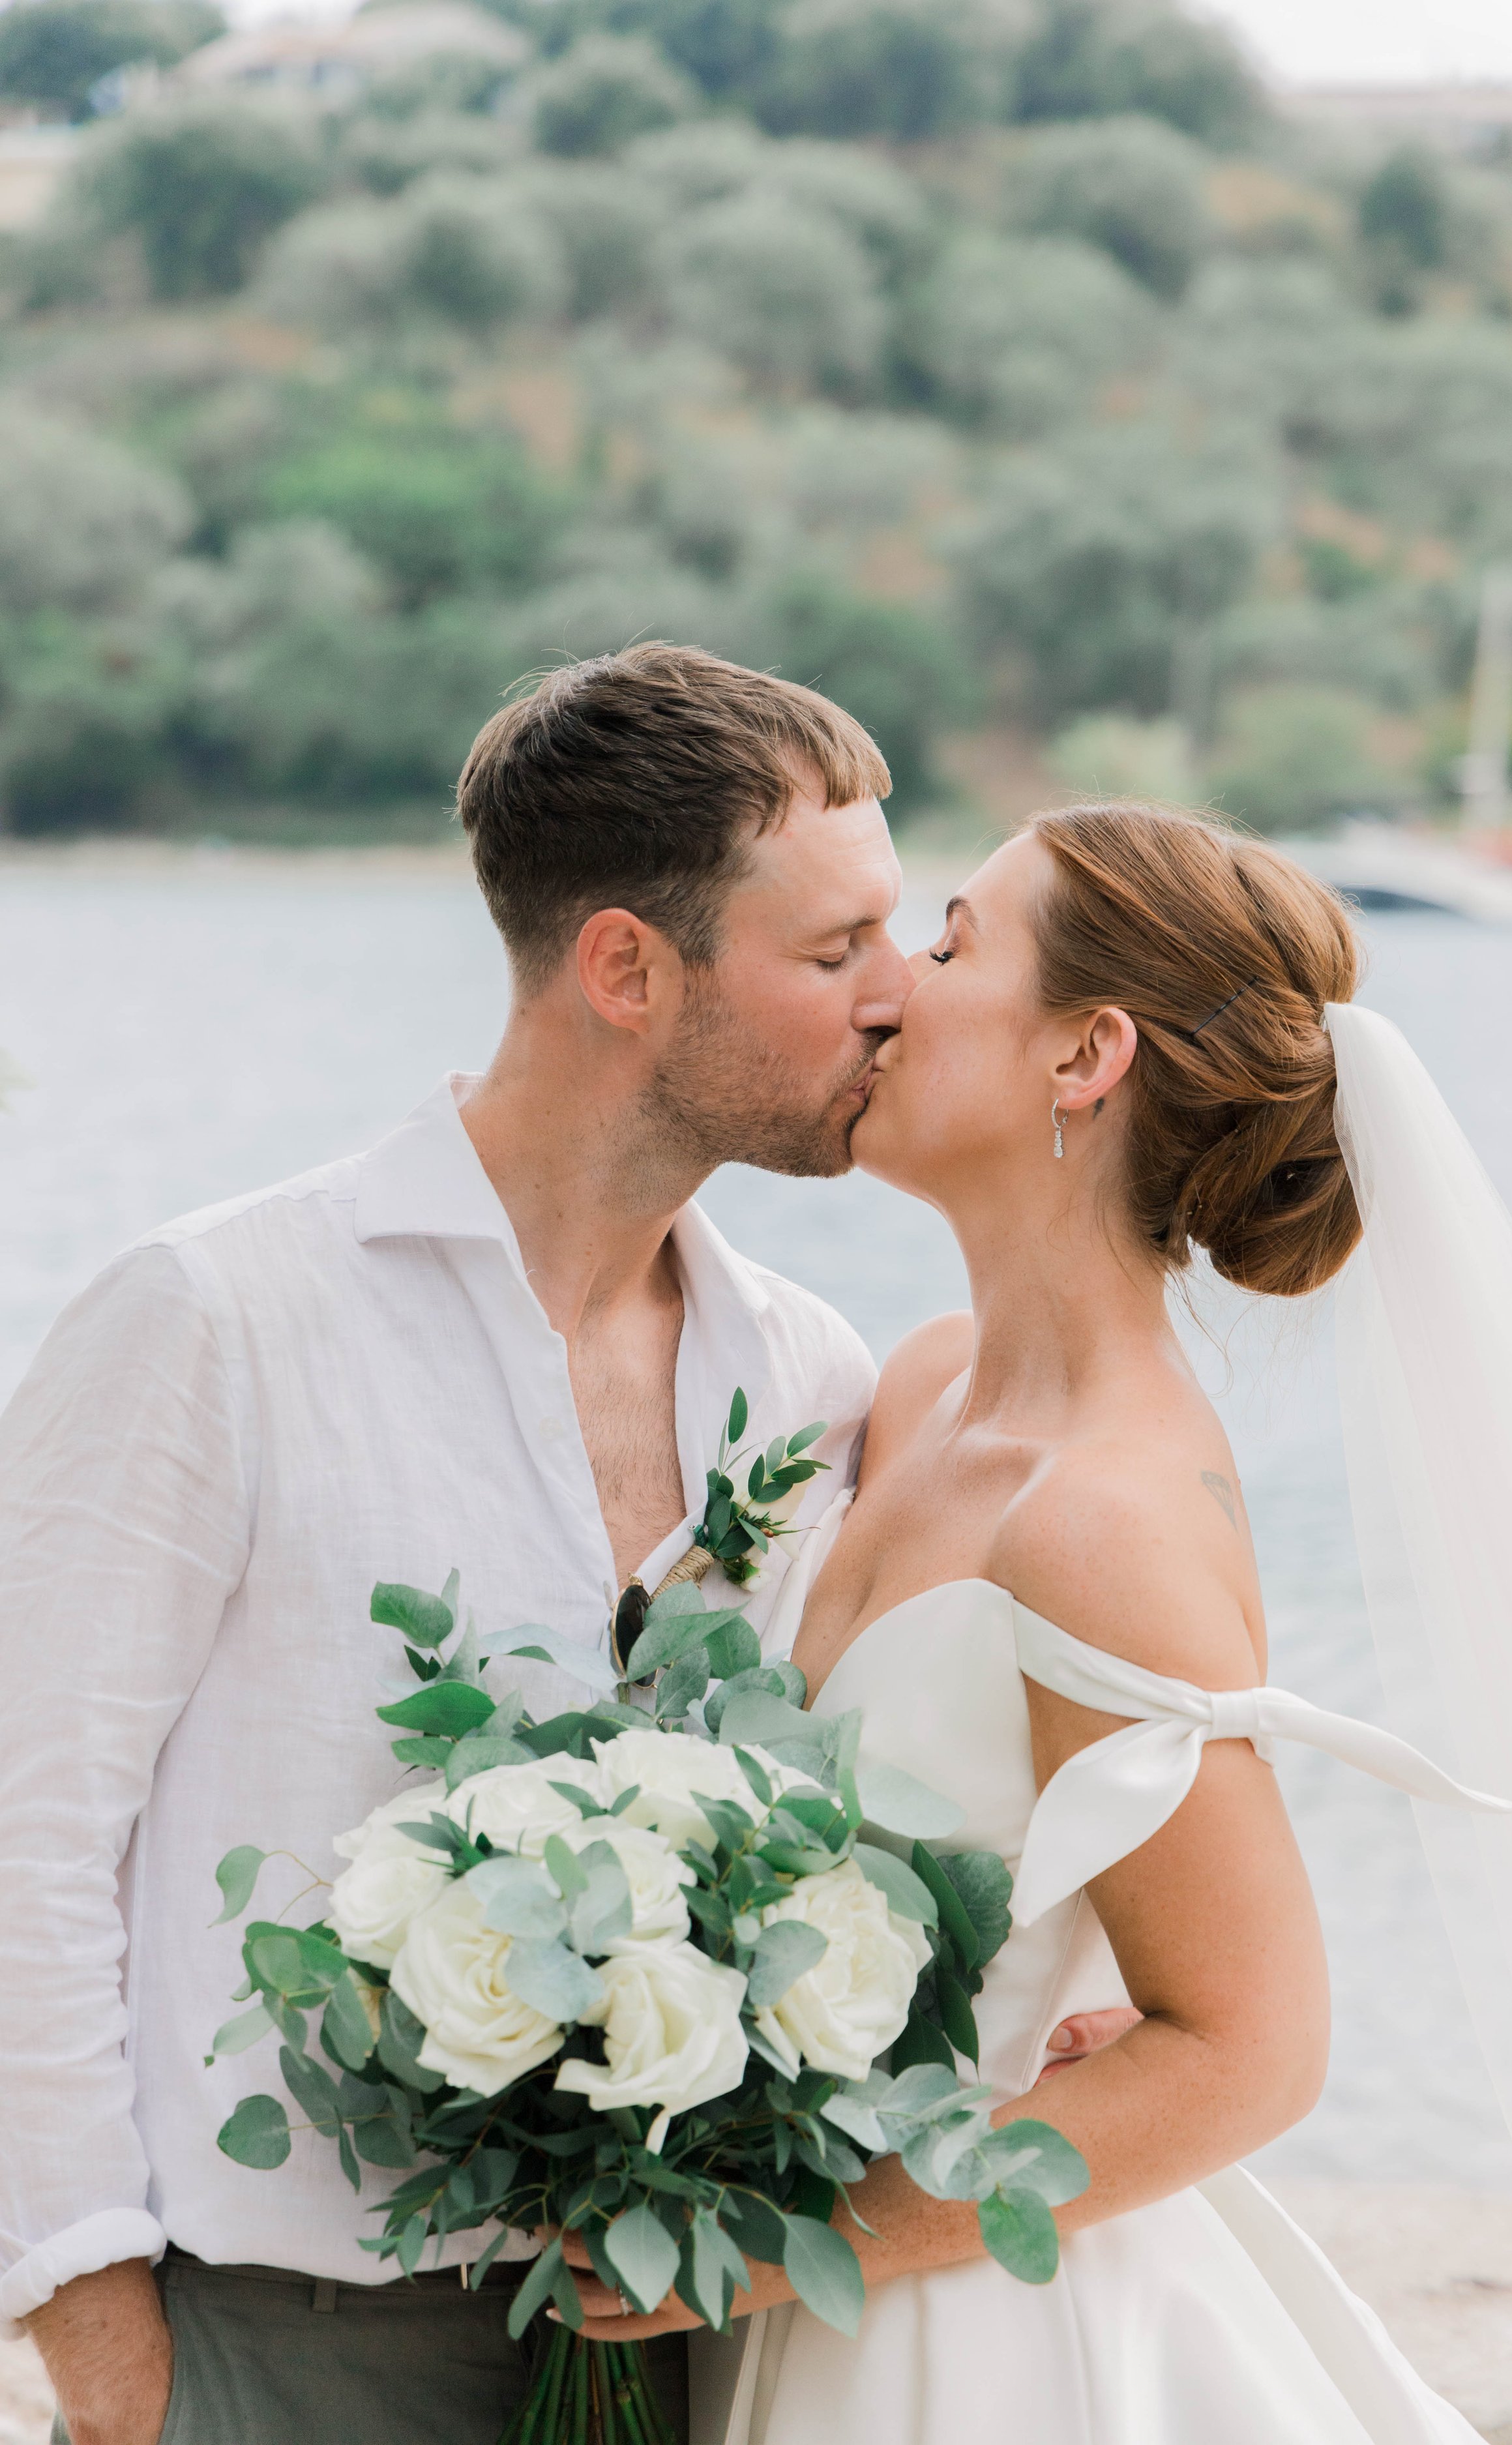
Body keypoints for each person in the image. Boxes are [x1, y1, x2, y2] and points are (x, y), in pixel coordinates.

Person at [0, 646, 1116, 2445]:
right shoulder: (214, 1318)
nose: (895, 997)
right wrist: (117, 2355)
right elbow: (23, 1832)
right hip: (270, 2346)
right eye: (833, 952)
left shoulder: (804, 1372)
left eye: (898, 938)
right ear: (624, 967)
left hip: (692, 2334)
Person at [569, 801, 1512, 2444]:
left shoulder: (1103, 1514)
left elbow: (1248, 2048)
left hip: (974, 2341)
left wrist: (756, 2248)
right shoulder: (920, 1382)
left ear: (1083, 1055)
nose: (884, 987)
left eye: (949, 945)